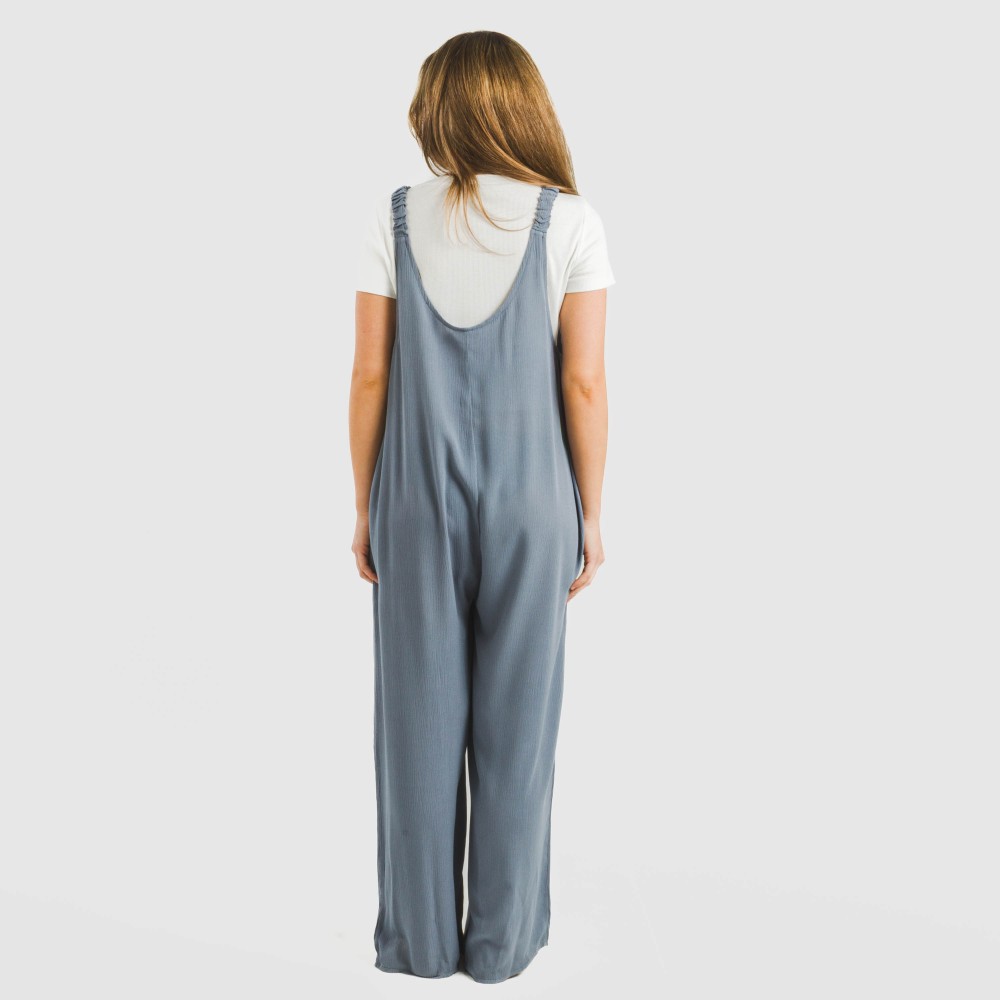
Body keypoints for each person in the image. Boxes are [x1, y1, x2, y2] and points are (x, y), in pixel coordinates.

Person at [348, 30, 612, 985]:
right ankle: (498, 951)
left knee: (415, 730)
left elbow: (370, 374)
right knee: (518, 732)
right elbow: (583, 383)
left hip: (415, 503)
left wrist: (365, 505)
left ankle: (419, 946)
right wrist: (590, 516)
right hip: (534, 505)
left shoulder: (395, 216)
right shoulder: (571, 222)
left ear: (443, 109)